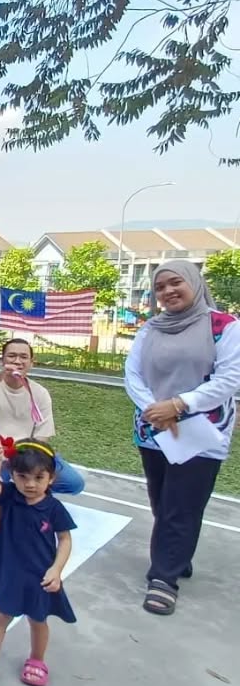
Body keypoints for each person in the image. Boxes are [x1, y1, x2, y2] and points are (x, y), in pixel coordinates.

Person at [123, 262, 240, 616]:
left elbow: (229, 378)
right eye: (160, 287)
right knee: (161, 500)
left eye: (176, 283)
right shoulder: (151, 329)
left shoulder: (224, 326)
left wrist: (178, 405)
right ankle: (177, 554)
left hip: (201, 429)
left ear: (194, 283)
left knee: (182, 504)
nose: (168, 291)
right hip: (153, 428)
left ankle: (164, 577)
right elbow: (132, 373)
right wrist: (154, 409)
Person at [0, 440, 76, 686]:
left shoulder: (54, 508)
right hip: (9, 572)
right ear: (13, 475)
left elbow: (65, 539)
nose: (30, 484)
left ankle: (37, 660)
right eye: (22, 477)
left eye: (39, 478)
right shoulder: (9, 497)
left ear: (51, 478)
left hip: (40, 576)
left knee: (37, 620)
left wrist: (56, 570)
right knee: (0, 615)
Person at [0, 339, 85, 495]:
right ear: (2, 360)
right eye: (12, 356)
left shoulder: (40, 393)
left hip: (29, 452)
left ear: (32, 362)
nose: (17, 361)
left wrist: (28, 462)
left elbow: (42, 436)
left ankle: (29, 490)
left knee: (74, 483)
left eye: (24, 357)